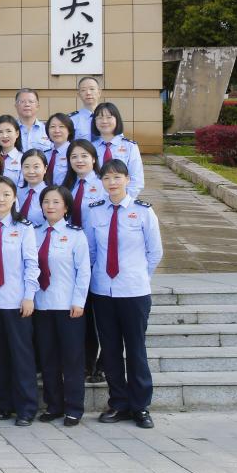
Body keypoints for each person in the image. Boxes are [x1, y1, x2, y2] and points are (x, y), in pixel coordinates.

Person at [87, 159, 163, 429]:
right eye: (107, 178)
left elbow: (155, 252)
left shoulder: (143, 212)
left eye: (117, 177)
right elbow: (92, 251)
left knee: (136, 349)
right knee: (110, 350)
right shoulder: (95, 212)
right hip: (103, 291)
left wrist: (139, 276)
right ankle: (118, 402)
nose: (112, 182)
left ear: (128, 180)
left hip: (134, 291)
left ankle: (140, 406)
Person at [0, 175, 40, 426]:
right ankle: (5, 404)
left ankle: (26, 407)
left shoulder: (24, 227)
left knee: (21, 356)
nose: (0, 199)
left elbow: (31, 264)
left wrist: (29, 296)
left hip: (17, 301)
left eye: (6, 194)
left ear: (15, 198)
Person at [34, 185, 90, 427]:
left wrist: (79, 301)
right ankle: (54, 405)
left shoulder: (76, 235)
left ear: (66, 207)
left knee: (72, 359)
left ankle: (74, 408)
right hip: (41, 305)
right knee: (48, 359)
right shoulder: (34, 233)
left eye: (56, 202)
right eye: (46, 202)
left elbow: (83, 271)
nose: (50, 206)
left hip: (68, 306)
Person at [62, 139, 106, 384]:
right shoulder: (66, 186)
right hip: (70, 258)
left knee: (99, 315)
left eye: (84, 156)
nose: (79, 160)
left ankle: (102, 363)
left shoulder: (102, 185)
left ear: (93, 158)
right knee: (81, 312)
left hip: (97, 258)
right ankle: (85, 362)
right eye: (74, 157)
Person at [92, 102, 145, 198]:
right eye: (99, 118)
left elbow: (136, 180)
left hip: (122, 200)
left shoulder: (130, 146)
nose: (104, 121)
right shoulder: (90, 147)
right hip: (94, 200)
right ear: (94, 121)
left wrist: (122, 201)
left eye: (109, 117)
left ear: (117, 119)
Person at [18, 149, 48, 227]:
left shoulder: (51, 194)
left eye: (36, 167)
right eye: (26, 167)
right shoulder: (17, 193)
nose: (31, 171)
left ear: (45, 169)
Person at [43, 113, 75, 186]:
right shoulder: (44, 155)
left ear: (69, 130)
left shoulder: (74, 153)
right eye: (52, 127)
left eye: (61, 126)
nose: (57, 131)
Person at [0, 115, 24, 185]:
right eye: (0, 132)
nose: (4, 135)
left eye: (8, 131)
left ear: (17, 133)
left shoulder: (23, 159)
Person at [70, 76, 102, 141]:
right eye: (83, 90)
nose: (88, 93)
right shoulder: (71, 120)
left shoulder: (110, 118)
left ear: (99, 92)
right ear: (79, 94)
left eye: (92, 89)